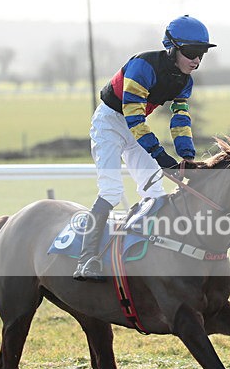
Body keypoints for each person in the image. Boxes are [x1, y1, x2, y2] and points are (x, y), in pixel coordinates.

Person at [73, 15, 216, 281]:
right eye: (192, 53)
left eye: (201, 54)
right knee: (112, 190)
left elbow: (181, 119)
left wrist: (186, 157)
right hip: (110, 124)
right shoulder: (142, 66)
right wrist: (163, 158)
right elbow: (134, 118)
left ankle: (154, 256)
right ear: (172, 48)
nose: (197, 61)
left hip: (136, 128)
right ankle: (85, 260)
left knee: (154, 190)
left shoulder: (185, 81)